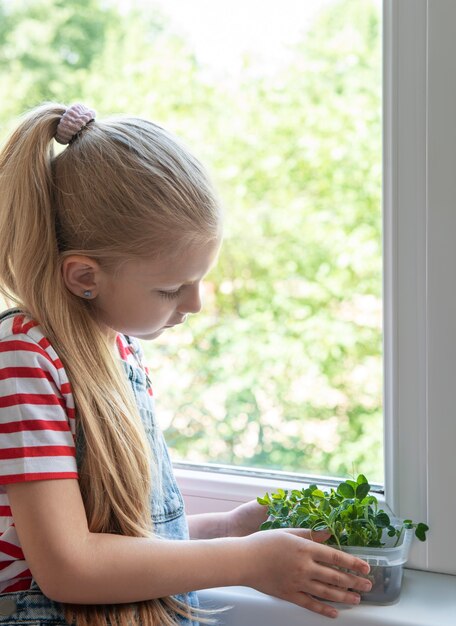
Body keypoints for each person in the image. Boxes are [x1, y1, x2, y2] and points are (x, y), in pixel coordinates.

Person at [0, 102, 372, 626]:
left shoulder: (120, 348)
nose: (194, 304)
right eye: (172, 288)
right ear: (84, 277)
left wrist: (228, 528)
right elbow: (69, 566)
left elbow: (128, 539)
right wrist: (246, 562)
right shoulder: (24, 357)